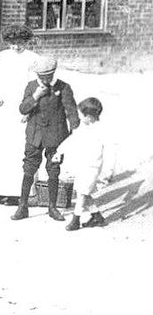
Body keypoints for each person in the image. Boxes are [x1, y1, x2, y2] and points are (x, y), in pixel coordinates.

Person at [12, 56, 78, 221]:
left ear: (53, 73)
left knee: (53, 170)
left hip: (56, 136)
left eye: (47, 76)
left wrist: (75, 132)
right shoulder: (32, 86)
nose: (44, 80)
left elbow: (71, 111)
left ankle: (52, 207)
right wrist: (35, 96)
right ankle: (23, 206)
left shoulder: (63, 88)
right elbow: (23, 109)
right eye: (41, 77)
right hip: (35, 135)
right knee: (28, 168)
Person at [55, 97, 113, 231]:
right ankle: (97, 216)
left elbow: (110, 153)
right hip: (82, 166)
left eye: (82, 115)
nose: (80, 118)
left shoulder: (101, 130)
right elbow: (72, 139)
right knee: (84, 193)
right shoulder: (84, 127)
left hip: (93, 168)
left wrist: (108, 173)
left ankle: (76, 220)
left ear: (90, 116)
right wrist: (59, 151)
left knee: (82, 193)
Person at [0, 26, 38, 112]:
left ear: (26, 42)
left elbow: (35, 78)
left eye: (20, 43)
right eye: (13, 43)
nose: (16, 46)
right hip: (7, 93)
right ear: (8, 43)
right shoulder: (3, 56)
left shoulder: (32, 58)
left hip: (24, 92)